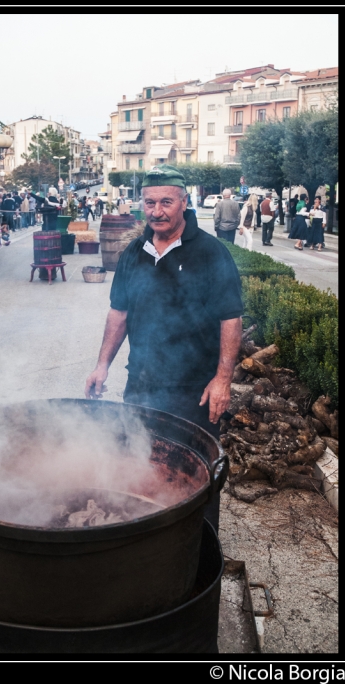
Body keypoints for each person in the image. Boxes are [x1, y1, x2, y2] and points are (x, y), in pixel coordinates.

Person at [85, 164, 243, 536]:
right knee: (140, 460)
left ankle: (201, 544)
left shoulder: (210, 252)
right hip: (141, 381)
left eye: (166, 202)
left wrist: (222, 379)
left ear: (184, 203)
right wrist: (102, 365)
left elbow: (230, 319)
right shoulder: (133, 253)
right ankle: (147, 539)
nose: (156, 211)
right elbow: (119, 313)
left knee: (198, 472)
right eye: (150, 202)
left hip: (195, 390)